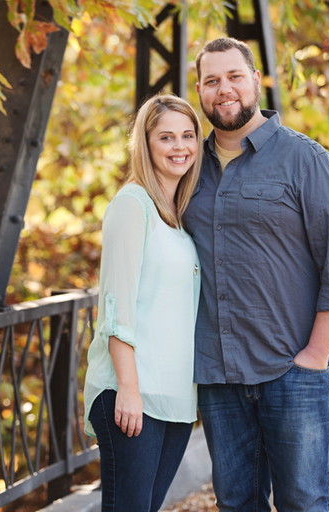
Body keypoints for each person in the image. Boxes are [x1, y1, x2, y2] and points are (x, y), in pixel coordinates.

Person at [183, 38, 329, 512]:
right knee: (235, 503)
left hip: (293, 369)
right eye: (211, 81)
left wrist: (315, 356)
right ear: (199, 91)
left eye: (234, 76)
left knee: (303, 502)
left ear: (256, 81)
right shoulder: (187, 169)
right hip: (220, 374)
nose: (224, 89)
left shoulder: (305, 160)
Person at [83, 94, 204, 512]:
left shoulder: (178, 215)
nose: (179, 146)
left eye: (188, 135)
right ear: (145, 143)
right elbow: (117, 306)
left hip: (174, 397)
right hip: (133, 393)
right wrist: (129, 390)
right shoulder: (132, 204)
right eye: (166, 137)